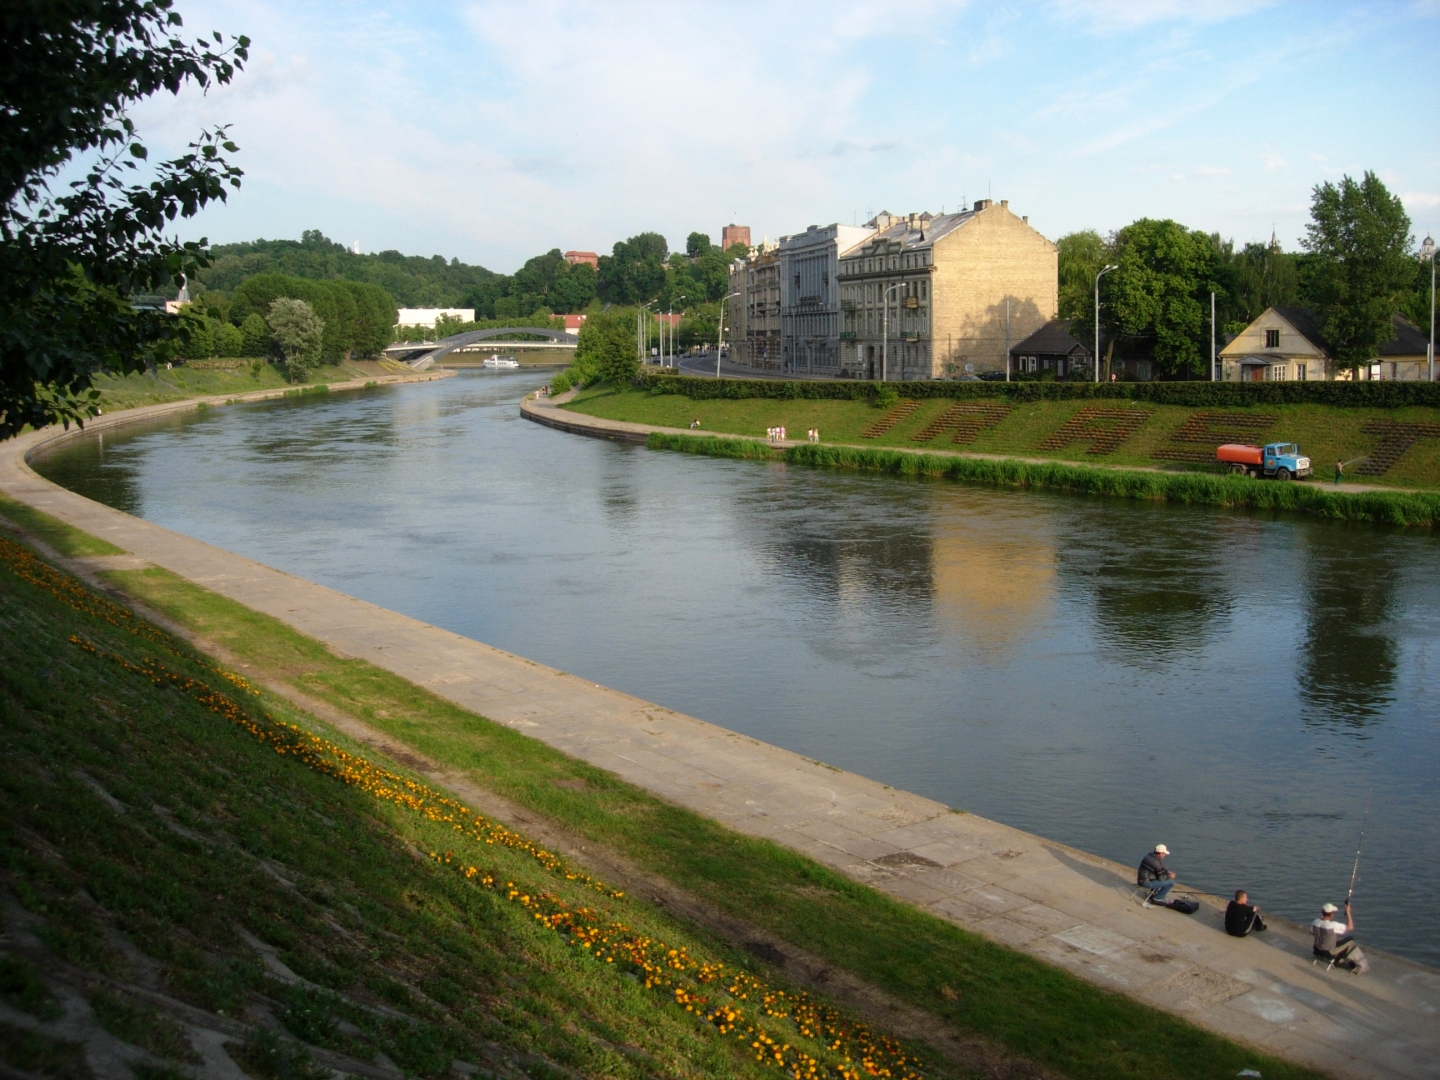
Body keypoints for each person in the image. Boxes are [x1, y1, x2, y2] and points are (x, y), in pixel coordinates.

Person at [1312, 901, 1369, 973]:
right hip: (1328, 951)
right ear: (1331, 914)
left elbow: (1311, 932)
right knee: (1350, 940)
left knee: (1339, 942)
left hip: (1317, 949)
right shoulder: (1333, 925)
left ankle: (1340, 959)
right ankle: (1339, 960)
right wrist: (1348, 912)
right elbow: (1350, 927)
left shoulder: (1315, 922)